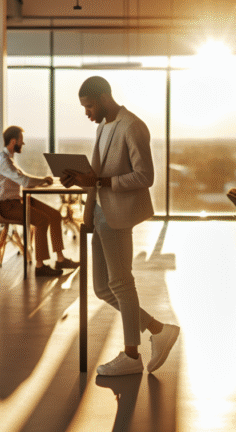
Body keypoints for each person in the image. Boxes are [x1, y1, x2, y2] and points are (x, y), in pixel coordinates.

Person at [61, 76, 180, 376]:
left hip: (118, 215)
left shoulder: (132, 126)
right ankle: (158, 330)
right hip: (100, 214)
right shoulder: (103, 126)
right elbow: (99, 171)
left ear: (102, 98)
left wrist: (99, 181)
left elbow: (145, 176)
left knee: (121, 282)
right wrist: (83, 187)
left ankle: (131, 355)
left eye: (88, 106)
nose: (87, 113)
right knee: (102, 288)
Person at [0, 125, 79, 277]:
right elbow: (24, 181)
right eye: (21, 141)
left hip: (17, 200)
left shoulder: (7, 159)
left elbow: (23, 176)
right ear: (13, 141)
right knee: (43, 220)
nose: (22, 144)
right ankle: (40, 265)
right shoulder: (4, 161)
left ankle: (60, 258)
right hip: (8, 206)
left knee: (56, 215)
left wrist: (42, 181)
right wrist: (43, 180)